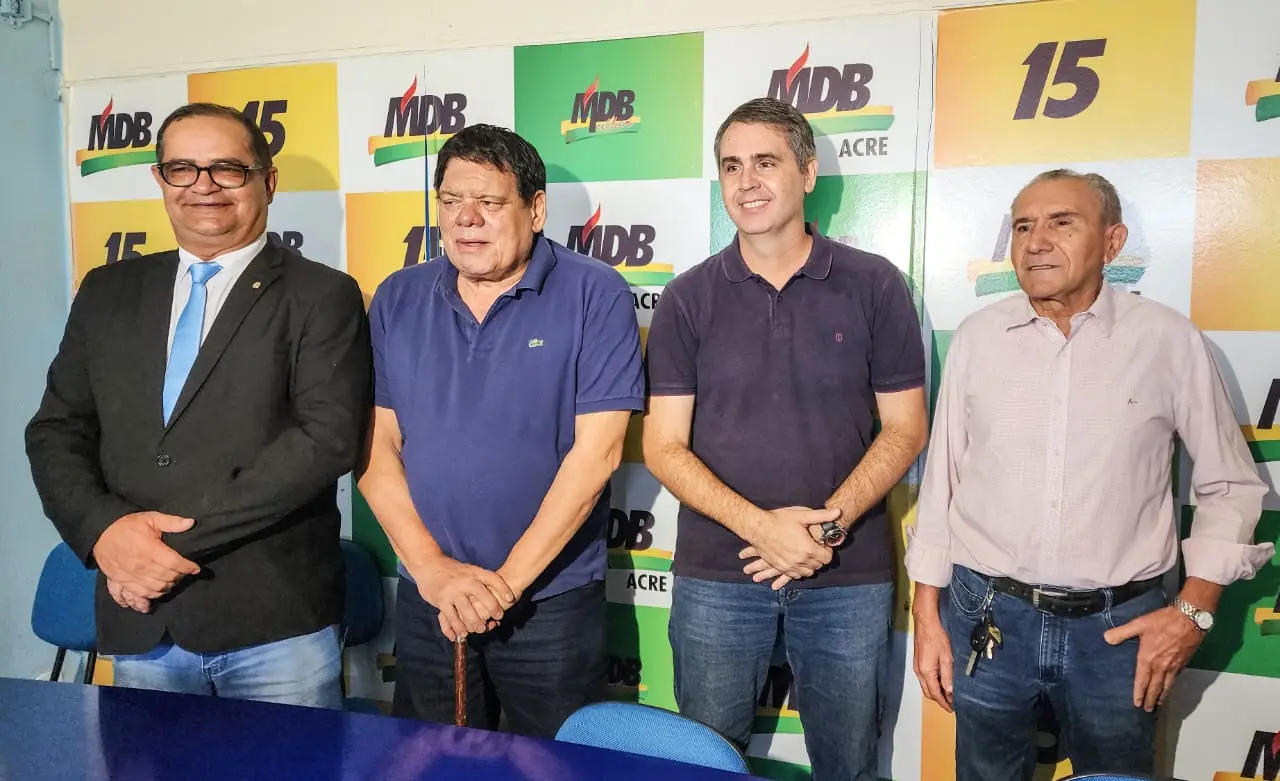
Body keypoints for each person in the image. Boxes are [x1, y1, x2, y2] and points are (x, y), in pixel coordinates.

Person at [907, 169, 1274, 780]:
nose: (1036, 242)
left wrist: (1194, 610)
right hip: (988, 618)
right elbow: (943, 483)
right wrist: (926, 615)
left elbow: (1230, 487)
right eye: (1023, 226)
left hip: (1120, 630)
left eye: (1062, 223)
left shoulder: (1167, 340)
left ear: (1112, 242)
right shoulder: (977, 339)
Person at [25, 103, 372, 706]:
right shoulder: (107, 290)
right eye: (182, 168)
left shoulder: (323, 294)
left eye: (227, 169)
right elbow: (56, 430)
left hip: (272, 622)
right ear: (160, 180)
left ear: (267, 181)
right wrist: (103, 533)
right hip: (140, 619)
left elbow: (325, 441)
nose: (203, 186)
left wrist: (153, 553)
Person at [642, 97, 929, 781]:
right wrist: (763, 530)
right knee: (706, 762)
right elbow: (662, 446)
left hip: (845, 573)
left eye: (765, 163)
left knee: (849, 765)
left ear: (807, 171)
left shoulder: (875, 284)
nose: (746, 182)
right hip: (719, 573)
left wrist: (823, 530)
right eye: (731, 166)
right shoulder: (686, 298)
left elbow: (906, 428)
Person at [357, 123, 643, 737]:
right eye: (451, 201)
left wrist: (505, 587)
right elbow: (376, 449)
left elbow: (598, 455)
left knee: (557, 766)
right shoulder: (398, 297)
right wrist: (432, 570)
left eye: (488, 201)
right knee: (432, 763)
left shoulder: (596, 293)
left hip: (550, 602)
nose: (467, 219)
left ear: (535, 210)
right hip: (431, 597)